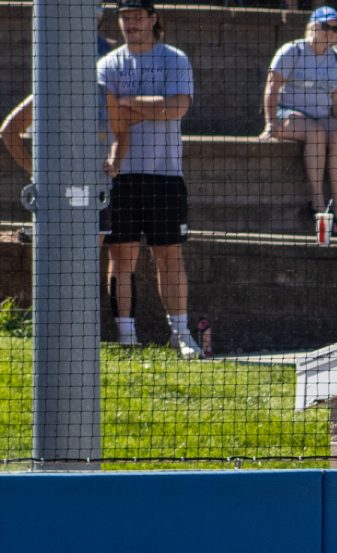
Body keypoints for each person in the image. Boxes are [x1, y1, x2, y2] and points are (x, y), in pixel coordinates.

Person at [97, 0, 201, 358]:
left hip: (165, 173)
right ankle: (127, 337)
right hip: (118, 175)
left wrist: (128, 104)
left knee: (168, 256)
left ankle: (181, 335)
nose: (130, 24)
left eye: (137, 17)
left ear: (153, 19)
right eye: (125, 18)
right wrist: (150, 107)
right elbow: (111, 115)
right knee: (121, 257)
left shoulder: (174, 58)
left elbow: (178, 107)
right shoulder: (107, 64)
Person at [2, 3, 113, 245]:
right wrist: (37, 172)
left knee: (88, 264)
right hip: (59, 193)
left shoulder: (106, 83)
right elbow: (8, 131)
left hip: (96, 189)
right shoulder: (51, 85)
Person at [260, 5, 337, 234]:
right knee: (316, 133)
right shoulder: (292, 50)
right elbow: (272, 88)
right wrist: (270, 125)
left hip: (321, 114)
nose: (332, 32)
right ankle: (318, 201)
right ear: (313, 27)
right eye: (327, 27)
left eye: (335, 28)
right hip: (287, 113)